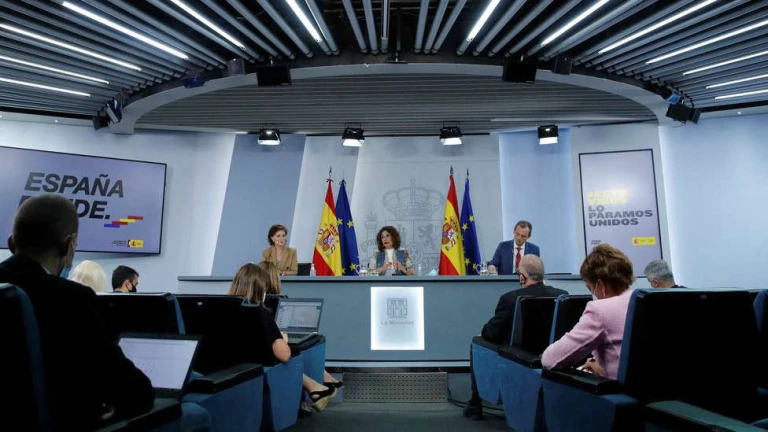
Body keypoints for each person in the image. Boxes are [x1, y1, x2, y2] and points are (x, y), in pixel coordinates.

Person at [0, 194, 153, 430]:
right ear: (69, 245)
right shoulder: (72, 299)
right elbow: (132, 393)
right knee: (194, 411)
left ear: (12, 243)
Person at [463, 255, 566, 420]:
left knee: (477, 341)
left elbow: (491, 333)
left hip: (517, 355)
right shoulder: (561, 295)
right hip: (551, 354)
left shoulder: (510, 298)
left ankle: (475, 405)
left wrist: (483, 333)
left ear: (522, 277)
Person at [228, 263, 337, 411]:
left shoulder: (222, 310)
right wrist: (283, 340)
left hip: (231, 365)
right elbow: (284, 355)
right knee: (291, 357)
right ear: (260, 289)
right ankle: (314, 390)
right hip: (259, 367)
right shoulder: (260, 313)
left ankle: (316, 388)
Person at [541, 244, 634, 380]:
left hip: (617, 390)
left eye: (590, 288)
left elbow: (551, 360)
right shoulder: (643, 301)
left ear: (601, 285)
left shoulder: (600, 310)